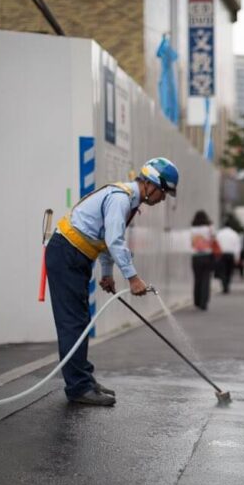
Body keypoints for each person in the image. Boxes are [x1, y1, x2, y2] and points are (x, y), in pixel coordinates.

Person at [46, 157, 179, 406]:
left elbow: (107, 241)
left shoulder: (127, 200)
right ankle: (78, 387)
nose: (162, 199)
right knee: (73, 322)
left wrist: (107, 274)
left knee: (81, 320)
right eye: (163, 192)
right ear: (151, 184)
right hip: (67, 254)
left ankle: (83, 379)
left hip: (76, 255)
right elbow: (114, 240)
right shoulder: (121, 199)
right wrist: (133, 278)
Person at [190, 210, 216, 310]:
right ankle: (203, 302)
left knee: (197, 279)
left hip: (195, 256)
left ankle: (196, 301)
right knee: (206, 279)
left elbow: (191, 242)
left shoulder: (192, 229)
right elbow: (213, 240)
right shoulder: (209, 228)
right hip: (207, 255)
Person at [215, 219, 241, 293]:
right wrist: (237, 257)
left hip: (221, 254)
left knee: (222, 271)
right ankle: (227, 285)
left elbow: (216, 244)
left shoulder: (219, 233)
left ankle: (224, 285)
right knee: (229, 271)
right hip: (231, 254)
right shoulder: (234, 234)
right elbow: (237, 247)